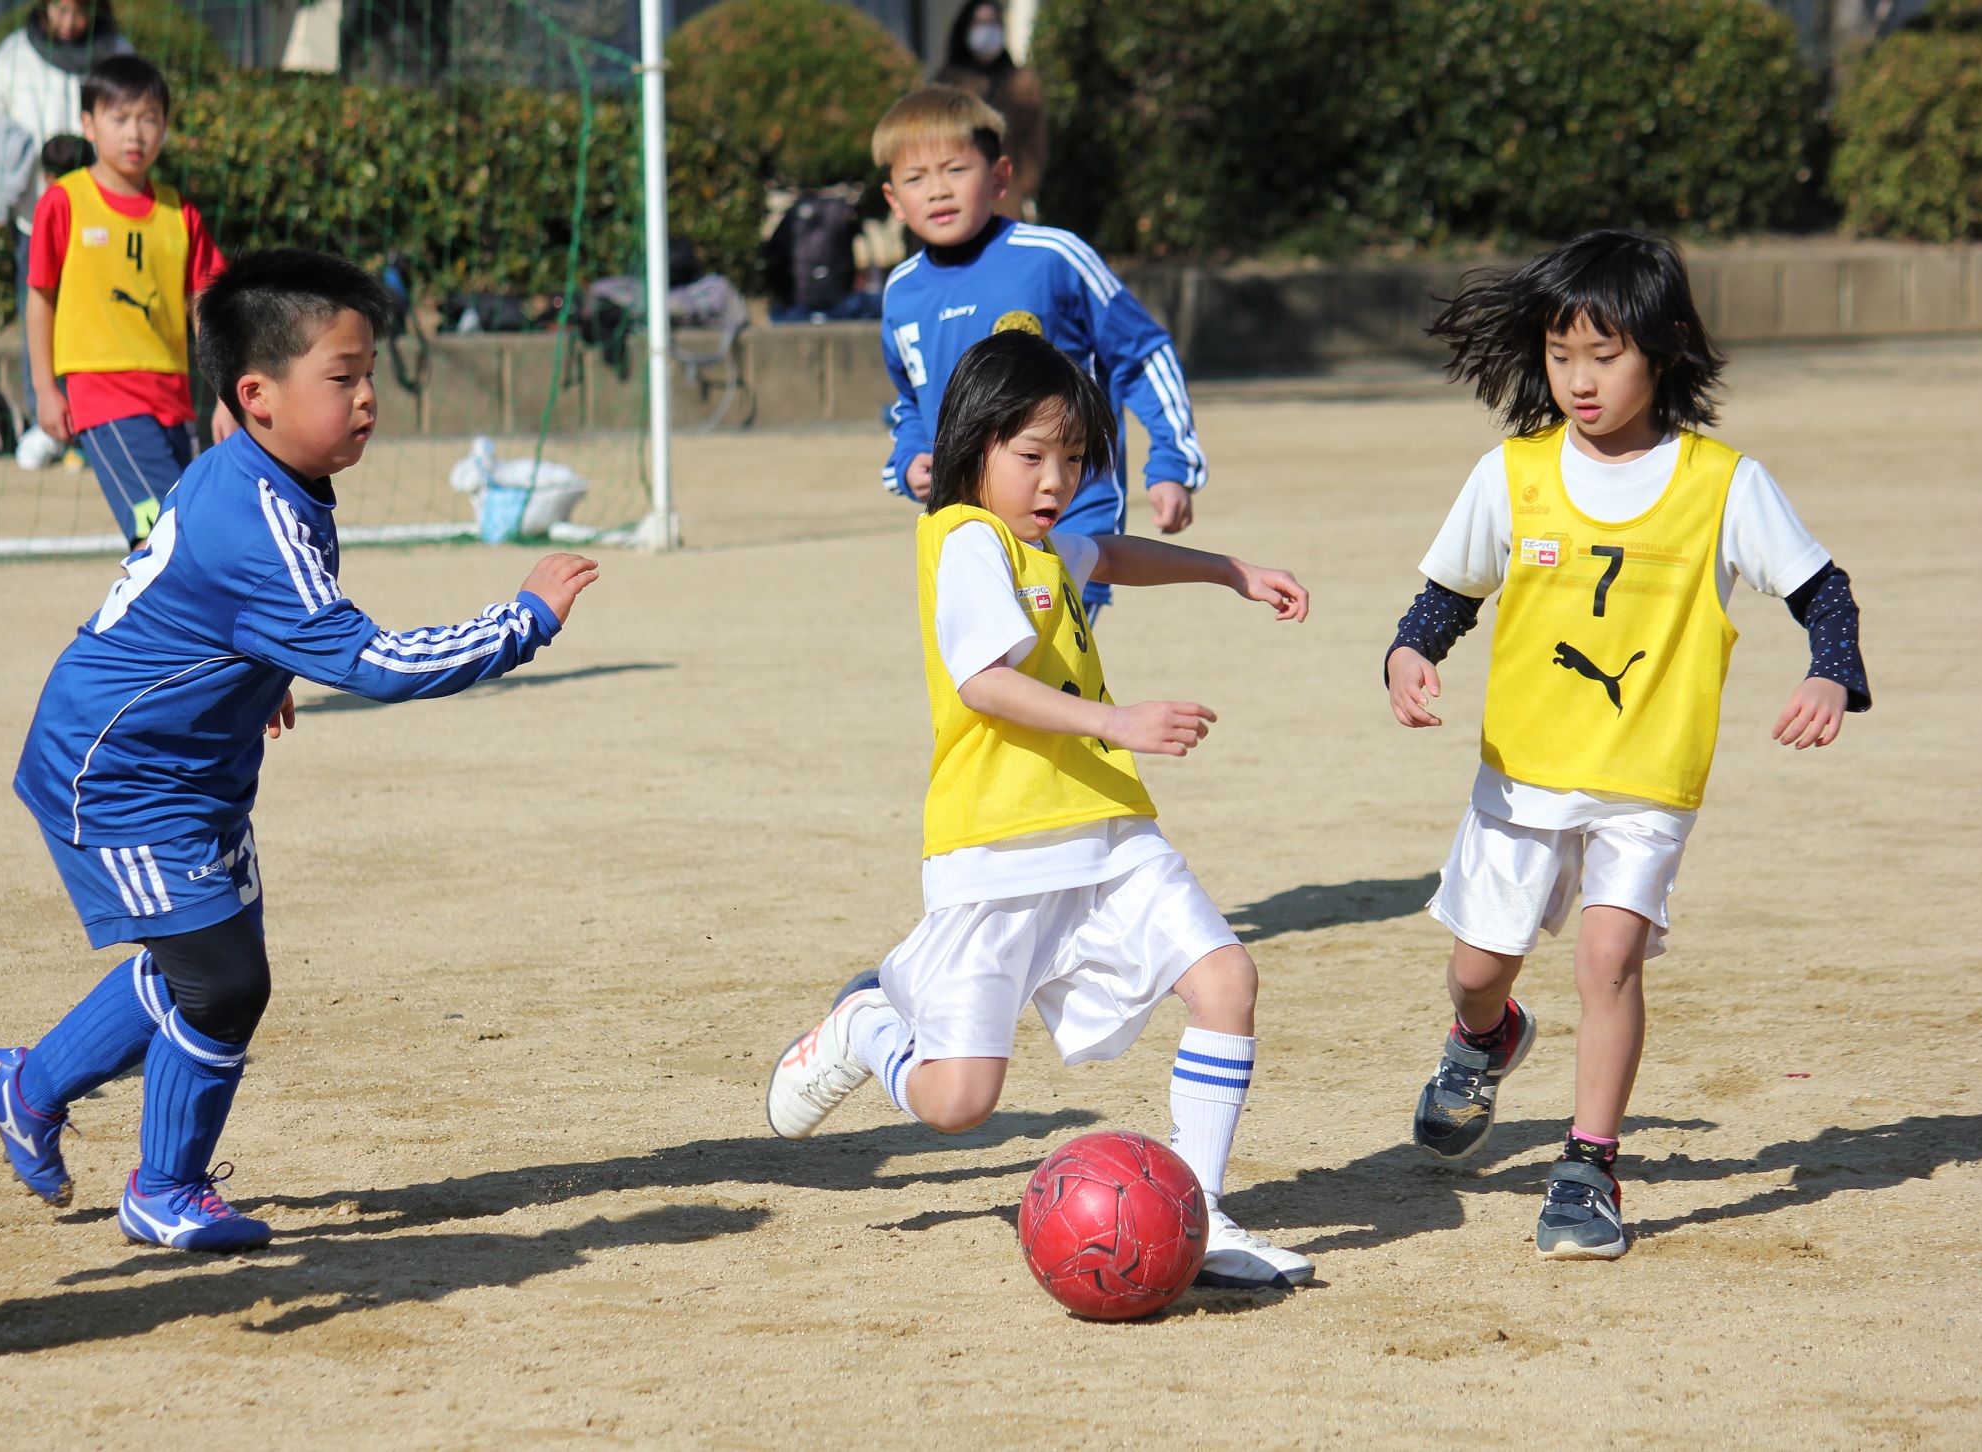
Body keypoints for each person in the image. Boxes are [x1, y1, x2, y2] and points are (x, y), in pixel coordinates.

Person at [0, 249, 601, 1251]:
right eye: (342, 377)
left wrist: (258, 669)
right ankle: (163, 1190)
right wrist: (521, 621)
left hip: (195, 767)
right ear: (257, 396)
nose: (367, 398)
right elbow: (377, 663)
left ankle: (29, 1088)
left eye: (370, 373)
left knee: (200, 961)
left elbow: (205, 597)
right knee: (224, 983)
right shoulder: (254, 516)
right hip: (119, 775)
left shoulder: (265, 468)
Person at [767, 330, 1316, 1289]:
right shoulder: (967, 541)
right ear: (974, 445)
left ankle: (1202, 1213)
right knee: (958, 1103)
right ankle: (865, 1027)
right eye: (1031, 456)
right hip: (999, 850)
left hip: (1108, 832)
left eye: (1074, 457)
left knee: (1227, 979)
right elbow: (983, 681)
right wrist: (1117, 721)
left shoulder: (1039, 542)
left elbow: (1109, 553)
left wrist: (1228, 570)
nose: (1056, 480)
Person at [1388, 230, 1871, 1260]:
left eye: (1604, 356)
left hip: (1649, 779)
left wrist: (1832, 670)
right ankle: (1484, 1038)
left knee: (1609, 961)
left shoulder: (1722, 483)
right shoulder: (1512, 472)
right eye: (1561, 354)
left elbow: (1823, 590)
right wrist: (1408, 653)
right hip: (1523, 773)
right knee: (1477, 969)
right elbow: (1449, 592)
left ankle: (1586, 1170)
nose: (1580, 380)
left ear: (1665, 347)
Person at [875, 86, 1206, 620]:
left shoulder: (1053, 257)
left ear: (999, 176)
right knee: (993, 668)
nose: (937, 191)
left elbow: (1143, 353)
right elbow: (909, 400)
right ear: (893, 200)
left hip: (1070, 517)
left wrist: (1171, 463)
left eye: (955, 170)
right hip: (965, 528)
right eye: (916, 178)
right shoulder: (901, 292)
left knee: (1050, 666)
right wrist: (910, 455)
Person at [25, 54, 233, 548]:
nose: (135, 133)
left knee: (189, 535)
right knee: (160, 536)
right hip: (105, 397)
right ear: (88, 125)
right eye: (119, 119)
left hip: (173, 398)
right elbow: (40, 297)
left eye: (149, 119)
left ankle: (148, 602)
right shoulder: (64, 201)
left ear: (165, 127)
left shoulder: (178, 213)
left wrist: (226, 394)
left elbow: (209, 306)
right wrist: (44, 388)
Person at [0, 0, 132, 433]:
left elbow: (144, 112)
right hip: (37, 221)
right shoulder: (17, 53)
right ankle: (49, 422)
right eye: (60, 10)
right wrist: (0, 169)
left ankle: (103, 420)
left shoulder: (116, 51)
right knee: (39, 315)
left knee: (104, 318)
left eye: (79, 12)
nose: (69, 22)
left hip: (105, 221)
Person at [932, 1, 1046, 221]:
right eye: (980, 23)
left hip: (1007, 192)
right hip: (954, 191)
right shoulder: (945, 82)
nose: (987, 30)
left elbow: (1034, 141)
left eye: (993, 23)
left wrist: (1027, 187)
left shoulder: (1023, 81)